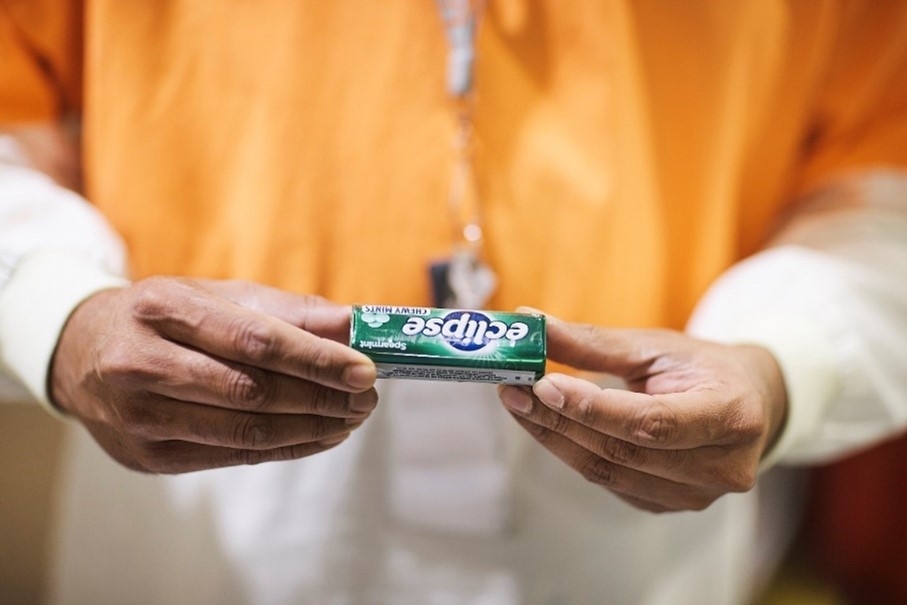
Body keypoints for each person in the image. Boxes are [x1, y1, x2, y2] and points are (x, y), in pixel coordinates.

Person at [1, 1, 906, 604]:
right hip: (202, 479)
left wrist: (785, 361)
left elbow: (883, 189)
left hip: (643, 485)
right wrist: (59, 314)